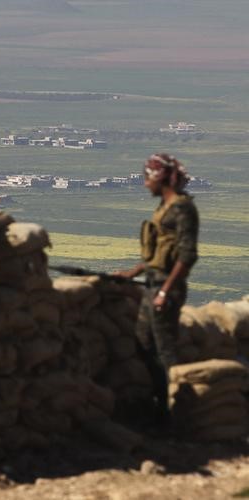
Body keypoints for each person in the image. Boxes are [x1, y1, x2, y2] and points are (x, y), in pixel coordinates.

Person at [114, 153, 199, 426]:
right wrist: (133, 272)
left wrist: (165, 291)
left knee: (165, 351)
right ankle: (159, 404)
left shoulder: (182, 209)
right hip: (153, 284)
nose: (144, 185)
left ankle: (175, 413)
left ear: (159, 178)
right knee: (143, 343)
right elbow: (160, 251)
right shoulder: (165, 207)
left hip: (166, 289)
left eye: (146, 178)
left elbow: (187, 256)